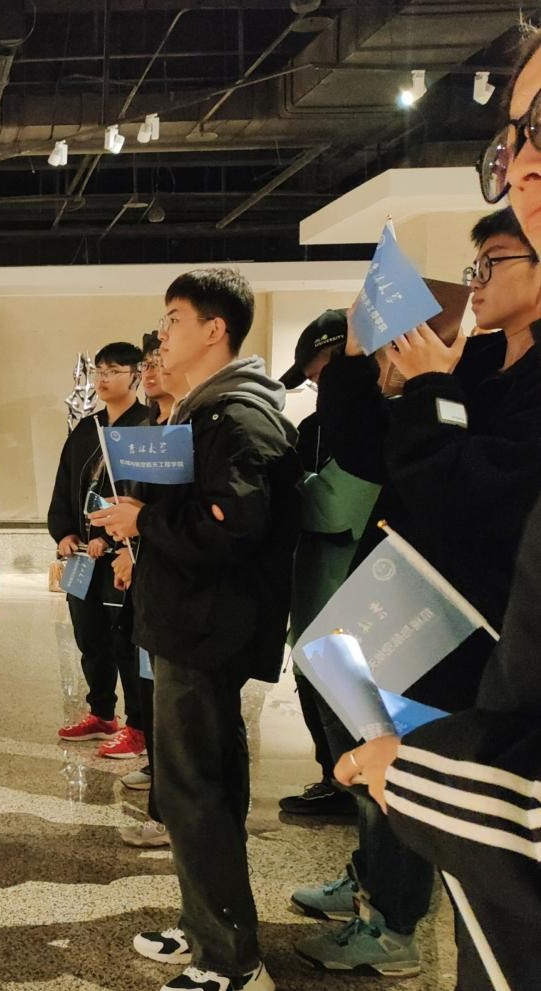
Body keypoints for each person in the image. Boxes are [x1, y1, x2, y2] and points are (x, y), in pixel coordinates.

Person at [328, 33, 541, 991]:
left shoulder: (491, 379)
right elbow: (381, 461)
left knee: (479, 882)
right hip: (426, 629)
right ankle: (385, 899)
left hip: (478, 654)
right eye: (513, 138)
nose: (476, 279)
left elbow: (467, 497)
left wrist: (427, 394)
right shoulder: (476, 363)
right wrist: (367, 367)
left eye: (492, 262)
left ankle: (392, 916)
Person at [92, 268, 301, 991]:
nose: (162, 334)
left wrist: (142, 521)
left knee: (195, 789)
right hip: (189, 621)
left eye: (174, 319)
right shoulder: (201, 410)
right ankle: (208, 924)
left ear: (216, 329)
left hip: (207, 628)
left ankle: (230, 961)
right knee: (197, 786)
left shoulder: (237, 416)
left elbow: (232, 525)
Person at [277, 311, 380, 818]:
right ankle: (332, 781)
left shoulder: (378, 422)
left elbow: (338, 509)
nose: (316, 384)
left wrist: (289, 491)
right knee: (313, 688)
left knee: (350, 704)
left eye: (319, 372)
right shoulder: (311, 428)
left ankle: (360, 796)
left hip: (354, 592)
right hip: (313, 590)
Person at [47, 341, 151, 756]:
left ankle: (138, 724)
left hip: (122, 556)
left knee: (125, 641)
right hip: (82, 558)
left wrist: (107, 538)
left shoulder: (147, 428)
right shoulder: (86, 429)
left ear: (135, 375)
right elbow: (64, 485)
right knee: (89, 636)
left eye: (113, 371)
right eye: (99, 371)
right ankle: (102, 713)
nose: (103, 379)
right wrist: (64, 532)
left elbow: (141, 494)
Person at [114, 330, 176, 848]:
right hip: (149, 585)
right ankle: (163, 797)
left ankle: (176, 816)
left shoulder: (197, 428)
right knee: (153, 696)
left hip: (181, 597)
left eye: (161, 360)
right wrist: (129, 548)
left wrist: (142, 532)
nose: (153, 370)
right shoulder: (156, 429)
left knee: (184, 716)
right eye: (149, 363)